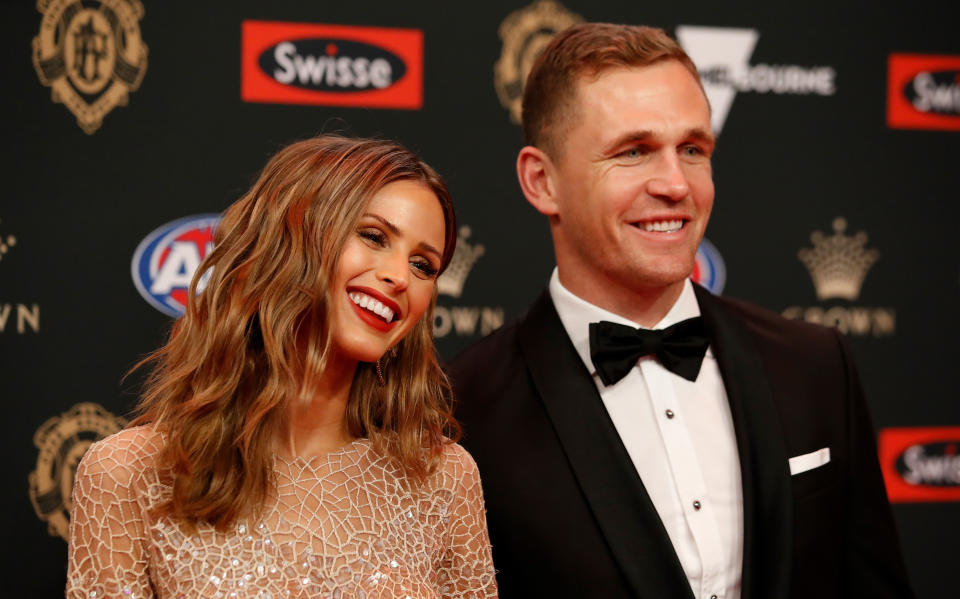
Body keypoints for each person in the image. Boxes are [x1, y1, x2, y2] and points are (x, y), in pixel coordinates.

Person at [448, 23, 914, 599]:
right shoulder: (459, 413)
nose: (675, 184)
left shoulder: (815, 365)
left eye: (693, 149)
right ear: (542, 182)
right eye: (634, 151)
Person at [66, 135, 498, 599]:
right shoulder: (128, 474)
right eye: (373, 237)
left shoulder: (443, 480)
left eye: (423, 265)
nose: (399, 277)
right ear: (291, 237)